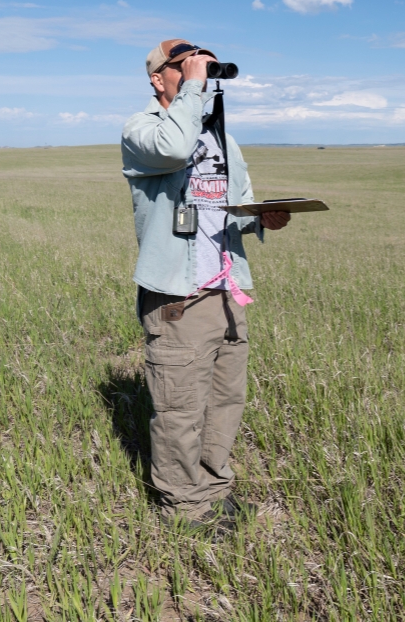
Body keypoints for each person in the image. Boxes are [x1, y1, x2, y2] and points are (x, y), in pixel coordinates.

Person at [121, 39, 289, 530]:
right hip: (179, 295)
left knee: (223, 401)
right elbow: (174, 147)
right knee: (179, 407)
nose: (202, 72)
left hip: (226, 288)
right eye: (187, 65)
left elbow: (240, 203)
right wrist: (195, 87)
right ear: (158, 78)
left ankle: (213, 489)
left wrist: (264, 220)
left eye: (207, 66)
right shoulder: (142, 130)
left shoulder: (224, 142)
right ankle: (184, 507)